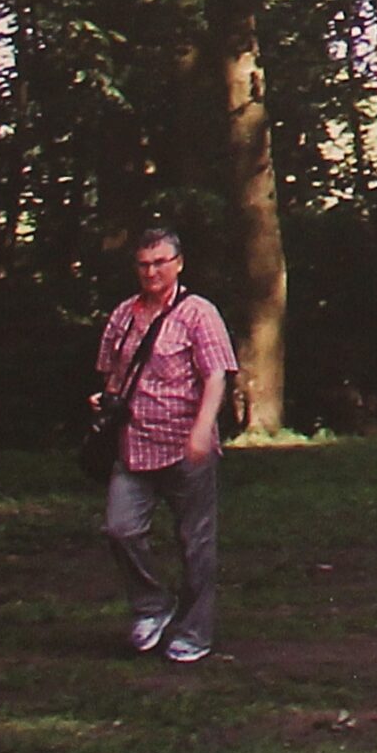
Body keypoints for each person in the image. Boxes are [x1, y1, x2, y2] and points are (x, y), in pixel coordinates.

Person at [94, 226, 235, 663]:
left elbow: (216, 376)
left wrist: (202, 430)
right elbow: (112, 374)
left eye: (160, 262)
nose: (151, 271)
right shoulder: (123, 315)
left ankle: (194, 633)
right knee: (120, 529)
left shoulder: (199, 313)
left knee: (196, 543)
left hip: (186, 448)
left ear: (178, 263)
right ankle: (151, 606)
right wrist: (106, 400)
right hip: (133, 446)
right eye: (143, 264)